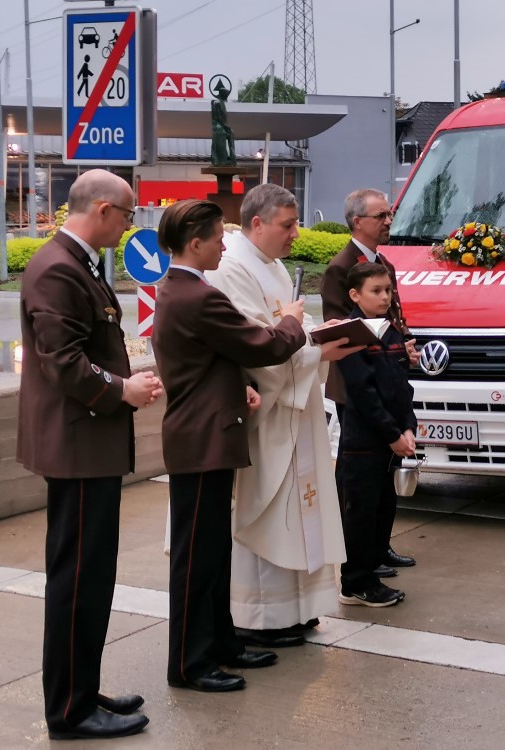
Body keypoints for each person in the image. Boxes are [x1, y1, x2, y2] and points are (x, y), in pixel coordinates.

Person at [17, 169, 162, 740]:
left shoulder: (76, 263)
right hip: (77, 444)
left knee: (92, 575)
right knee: (78, 579)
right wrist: (122, 389)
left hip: (88, 442)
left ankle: (82, 687)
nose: (128, 225)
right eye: (127, 214)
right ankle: (70, 710)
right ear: (102, 210)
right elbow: (63, 361)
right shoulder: (58, 268)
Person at [152, 199, 308, 693]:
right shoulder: (198, 295)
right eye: (219, 237)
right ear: (195, 242)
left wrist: (235, 384)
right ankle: (189, 663)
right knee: (197, 559)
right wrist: (292, 320)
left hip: (205, 433)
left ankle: (220, 643)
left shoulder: (181, 290)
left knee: (213, 552)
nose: (225, 244)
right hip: (202, 440)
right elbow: (263, 345)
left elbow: (206, 359)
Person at [205, 184, 359, 649]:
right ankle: (257, 616)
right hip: (266, 412)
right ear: (257, 223)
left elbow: (293, 325)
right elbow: (252, 343)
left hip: (295, 406)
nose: (296, 234)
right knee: (267, 511)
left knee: (298, 508)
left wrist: (320, 335)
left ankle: (295, 610)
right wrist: (315, 350)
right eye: (288, 225)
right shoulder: (231, 267)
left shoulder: (271, 264)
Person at [320, 189, 418, 576]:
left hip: (388, 375)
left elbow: (394, 317)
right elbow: (339, 327)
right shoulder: (341, 266)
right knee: (358, 477)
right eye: (381, 216)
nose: (388, 221)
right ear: (357, 221)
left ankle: (380, 546)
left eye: (389, 214)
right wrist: (385, 349)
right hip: (358, 383)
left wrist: (403, 346)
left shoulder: (384, 263)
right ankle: (357, 555)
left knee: (387, 469)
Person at [336, 262, 418, 606]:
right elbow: (363, 392)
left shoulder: (390, 331)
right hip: (364, 442)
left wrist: (408, 425)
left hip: (390, 439)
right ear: (355, 295)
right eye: (376, 291)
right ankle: (355, 582)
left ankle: (372, 573)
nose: (385, 297)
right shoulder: (351, 333)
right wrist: (391, 434)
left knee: (383, 508)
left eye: (388, 290)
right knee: (360, 513)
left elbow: (401, 385)